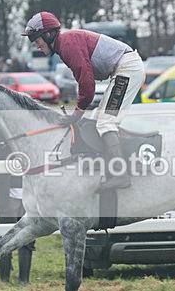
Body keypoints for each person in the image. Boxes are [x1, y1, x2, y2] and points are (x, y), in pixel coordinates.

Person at [22, 11, 146, 190]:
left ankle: (120, 174)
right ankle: (108, 166)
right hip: (124, 68)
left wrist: (77, 114)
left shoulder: (67, 45)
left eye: (37, 40)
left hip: (127, 68)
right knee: (97, 118)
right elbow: (86, 84)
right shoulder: (65, 45)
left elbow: (87, 86)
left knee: (106, 123)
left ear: (48, 34)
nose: (36, 45)